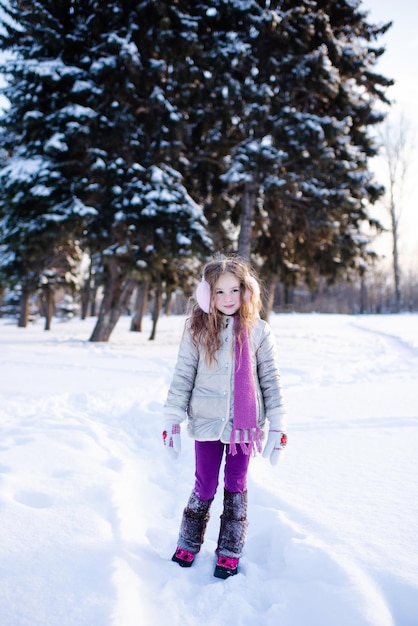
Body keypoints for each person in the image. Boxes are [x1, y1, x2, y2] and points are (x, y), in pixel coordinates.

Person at [163, 255, 287, 579]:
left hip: (243, 430)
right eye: (220, 292)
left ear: (246, 292)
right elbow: (182, 376)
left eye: (235, 290)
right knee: (204, 484)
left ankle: (230, 550)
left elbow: (271, 380)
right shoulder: (196, 329)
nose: (228, 298)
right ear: (207, 295)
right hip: (205, 423)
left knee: (236, 485)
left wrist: (278, 423)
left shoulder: (259, 331)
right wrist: (172, 419)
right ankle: (188, 542)